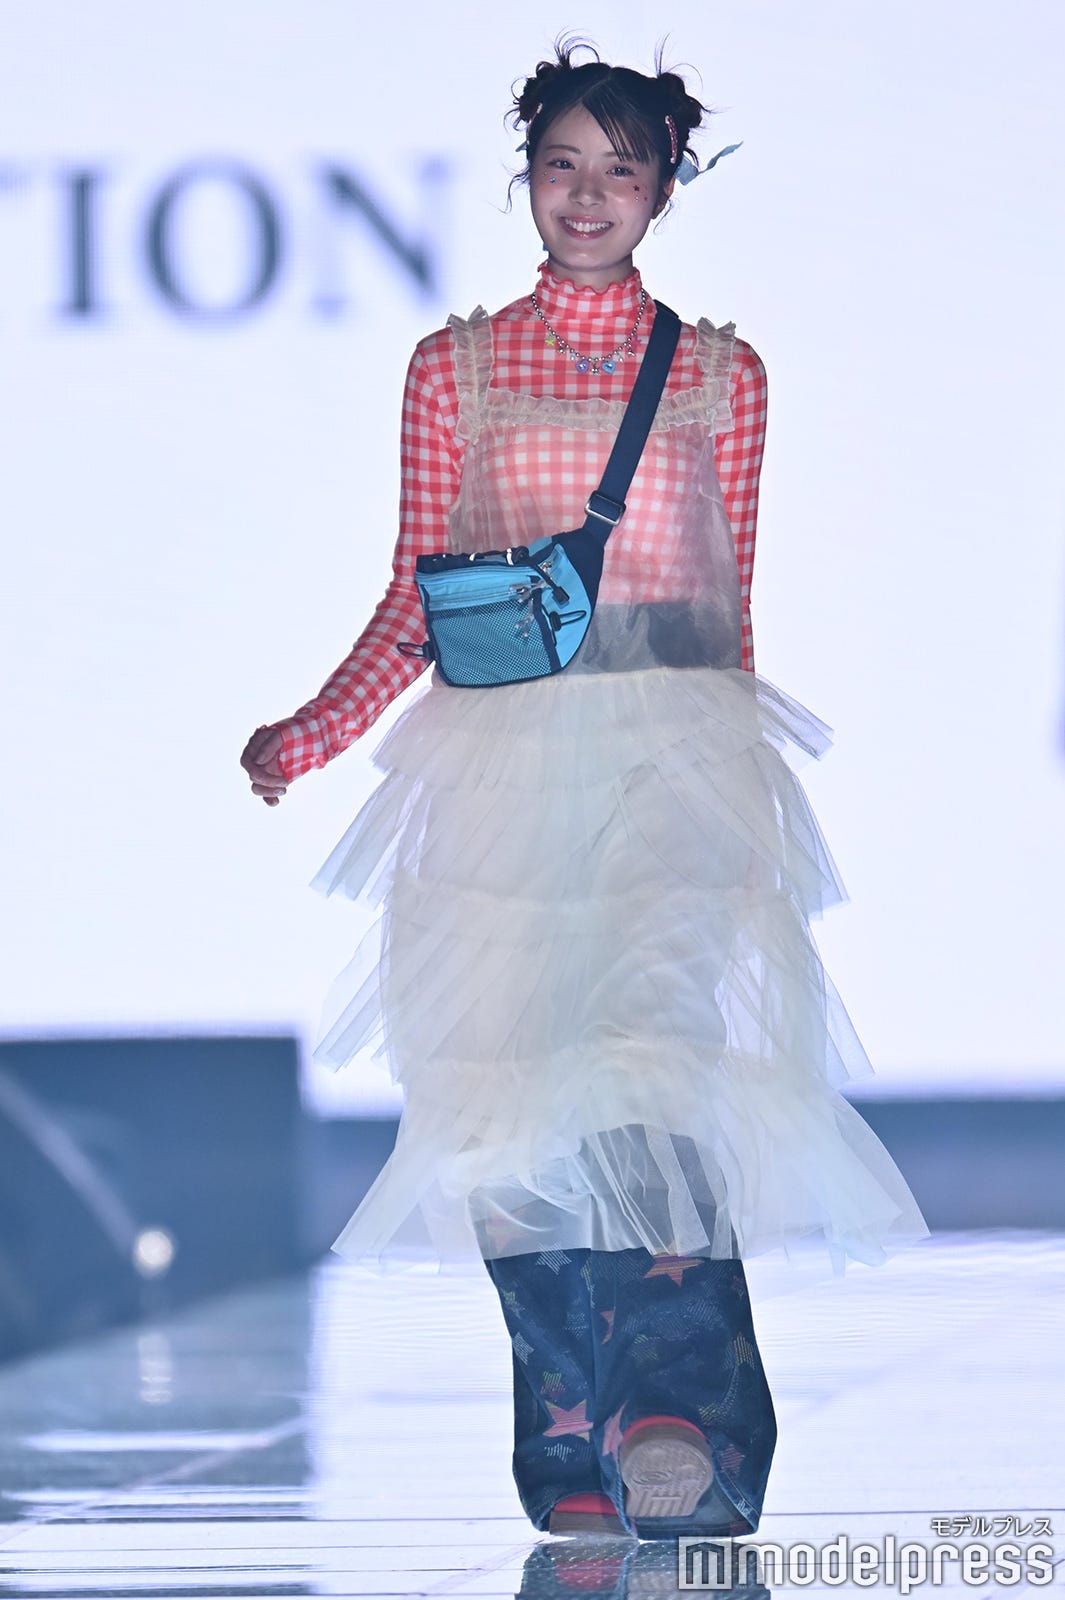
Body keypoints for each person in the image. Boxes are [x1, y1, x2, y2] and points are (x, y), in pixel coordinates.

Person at [241, 42, 930, 1542]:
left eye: (622, 169)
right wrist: (314, 730)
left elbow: (732, 607)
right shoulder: (458, 368)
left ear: (663, 187)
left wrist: (745, 809)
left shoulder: (723, 377)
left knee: (650, 1079)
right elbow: (418, 593)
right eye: (563, 164)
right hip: (494, 767)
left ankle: (670, 1413)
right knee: (503, 1108)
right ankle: (567, 1419)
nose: (589, 194)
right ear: (527, 178)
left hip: (674, 760)